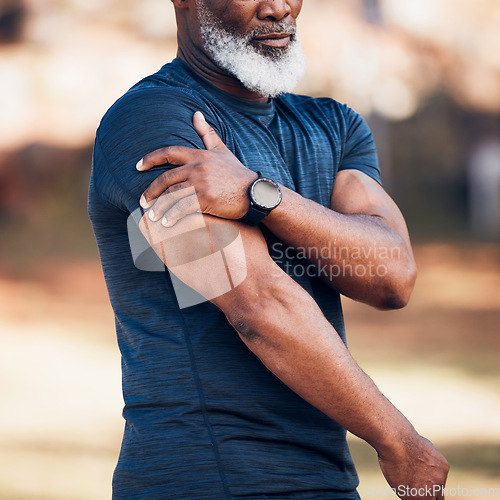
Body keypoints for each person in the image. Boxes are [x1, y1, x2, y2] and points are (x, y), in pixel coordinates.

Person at [88, 0, 450, 498]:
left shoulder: (334, 125)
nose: (279, 8)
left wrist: (261, 196)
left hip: (324, 477)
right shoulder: (151, 124)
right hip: (204, 475)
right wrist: (399, 441)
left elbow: (391, 276)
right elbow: (256, 302)